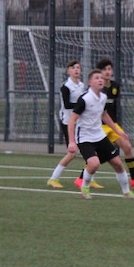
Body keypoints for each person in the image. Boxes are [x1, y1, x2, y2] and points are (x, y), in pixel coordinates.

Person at [67, 69, 134, 200]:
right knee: (94, 164)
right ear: (90, 82)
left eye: (101, 78)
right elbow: (72, 120)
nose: (100, 80)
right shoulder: (85, 99)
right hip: (85, 137)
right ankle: (85, 187)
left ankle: (127, 192)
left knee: (118, 163)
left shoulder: (103, 97)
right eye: (96, 78)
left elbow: (104, 115)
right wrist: (72, 142)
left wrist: (117, 131)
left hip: (99, 135)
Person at [47, 60, 91, 188]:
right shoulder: (65, 86)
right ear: (68, 71)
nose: (76, 70)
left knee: (91, 150)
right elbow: (67, 105)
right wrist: (82, 105)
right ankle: (53, 178)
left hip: (80, 122)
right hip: (68, 122)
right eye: (73, 68)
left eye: (78, 68)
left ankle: (87, 178)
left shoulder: (82, 85)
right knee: (72, 153)